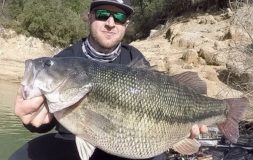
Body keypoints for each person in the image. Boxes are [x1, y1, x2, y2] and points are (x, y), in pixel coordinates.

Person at [10, 0, 207, 160]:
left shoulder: (135, 59)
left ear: (126, 25)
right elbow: (45, 118)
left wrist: (183, 129)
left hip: (131, 143)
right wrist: (31, 120)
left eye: (119, 17)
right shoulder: (64, 60)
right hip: (72, 144)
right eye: (103, 14)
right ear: (89, 17)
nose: (110, 23)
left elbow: (160, 99)